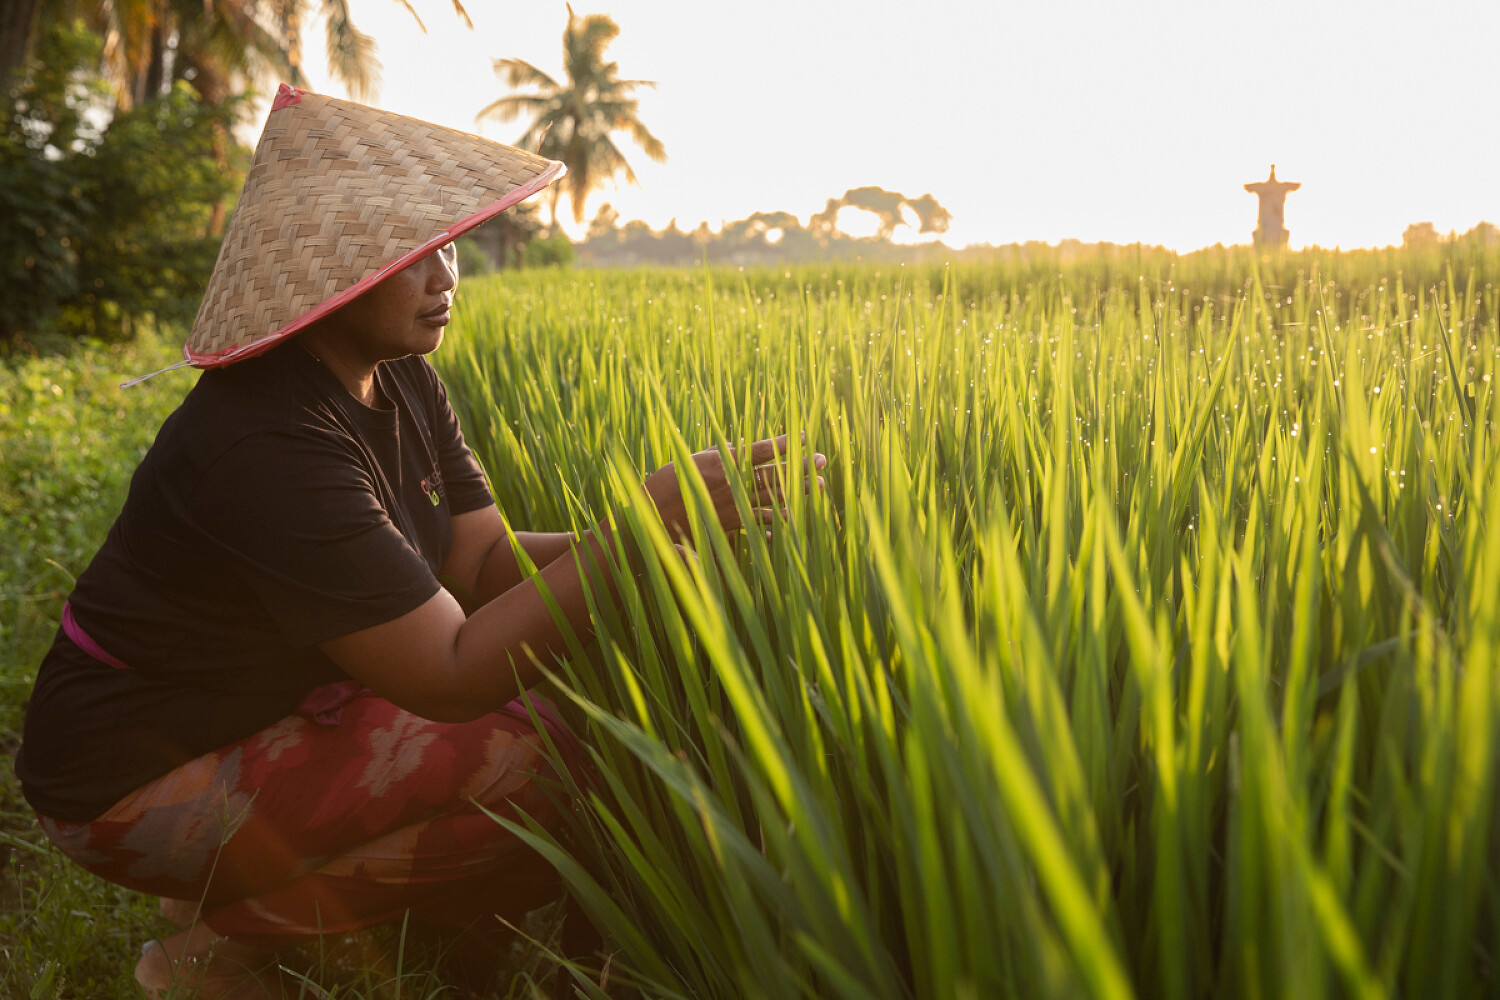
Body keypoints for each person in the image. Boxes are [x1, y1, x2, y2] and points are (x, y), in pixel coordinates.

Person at [13, 86, 824, 997]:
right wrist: (638, 533)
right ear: (333, 269)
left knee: (565, 713)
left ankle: (306, 889)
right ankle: (212, 947)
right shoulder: (262, 440)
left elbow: (478, 562)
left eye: (448, 246)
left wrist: (673, 536)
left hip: (256, 712)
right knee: (547, 765)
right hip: (126, 778)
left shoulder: (397, 379)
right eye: (415, 254)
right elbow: (449, 673)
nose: (447, 277)